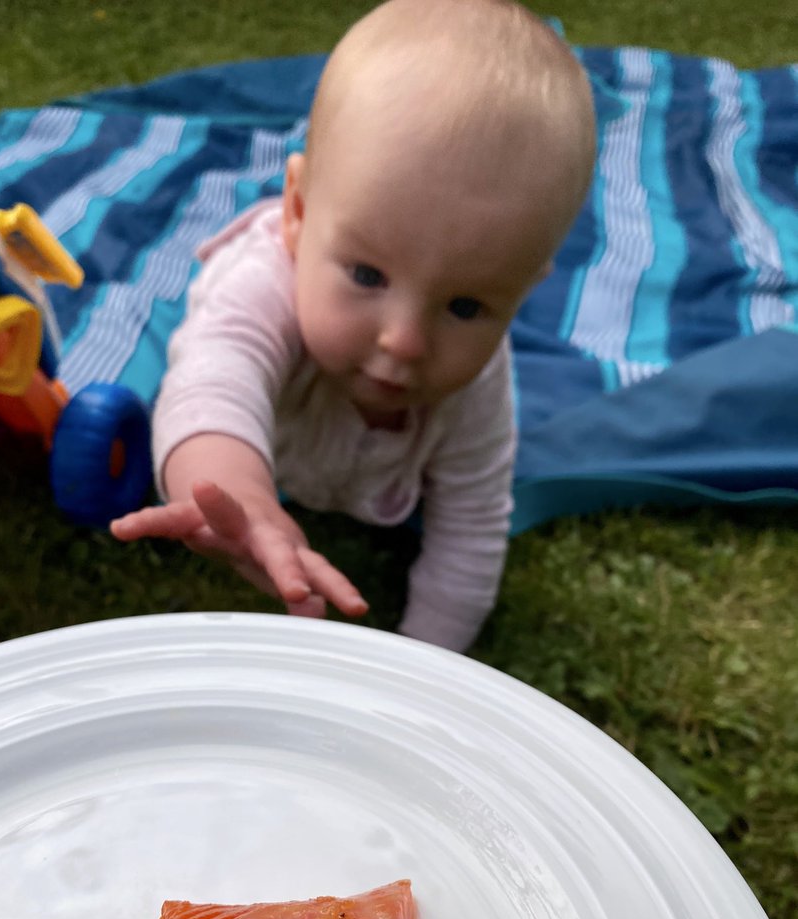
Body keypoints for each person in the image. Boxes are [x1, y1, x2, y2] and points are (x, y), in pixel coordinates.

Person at [110, 0, 596, 652]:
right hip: (257, 389)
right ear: (298, 213)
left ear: (524, 290)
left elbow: (472, 529)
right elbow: (212, 388)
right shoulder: (262, 289)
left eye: (465, 306)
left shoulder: (480, 378)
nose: (405, 340)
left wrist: (426, 668)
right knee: (165, 369)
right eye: (367, 276)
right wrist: (246, 501)